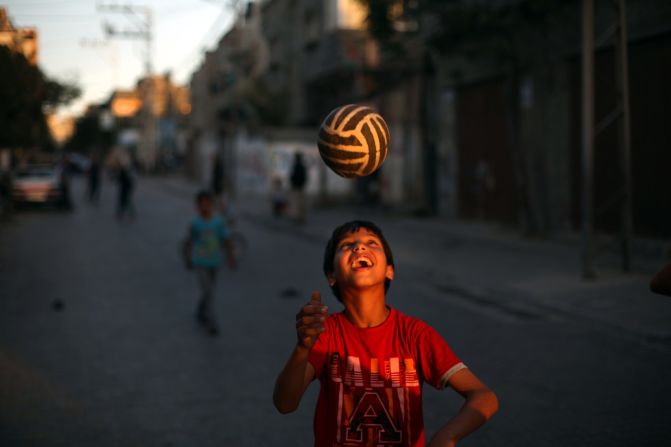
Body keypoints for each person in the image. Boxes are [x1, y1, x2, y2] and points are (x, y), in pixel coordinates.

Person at [273, 220, 498, 446]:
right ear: (331, 276)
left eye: (371, 242)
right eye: (346, 245)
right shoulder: (326, 333)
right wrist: (303, 347)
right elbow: (285, 404)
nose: (359, 248)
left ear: (389, 270)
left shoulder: (415, 334)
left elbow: (484, 396)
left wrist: (447, 436)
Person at [183, 190, 237, 336]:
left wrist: (231, 257)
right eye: (202, 205)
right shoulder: (195, 224)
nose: (205, 207)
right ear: (197, 206)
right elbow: (188, 242)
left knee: (209, 290)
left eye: (207, 204)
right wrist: (187, 259)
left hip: (215, 262)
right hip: (200, 262)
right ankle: (212, 322)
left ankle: (200, 310)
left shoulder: (218, 222)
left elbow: (226, 240)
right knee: (208, 292)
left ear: (212, 205)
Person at [289, 151, 308, 224]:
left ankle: (298, 218)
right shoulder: (302, 166)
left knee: (297, 203)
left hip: (296, 187)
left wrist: (294, 184)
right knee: (301, 203)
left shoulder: (296, 166)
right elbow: (304, 177)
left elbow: (293, 177)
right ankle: (301, 218)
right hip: (301, 187)